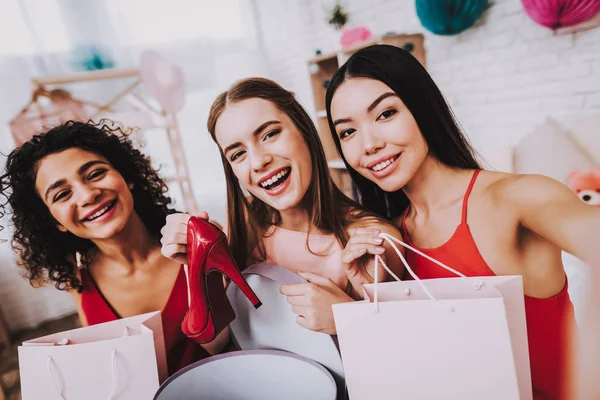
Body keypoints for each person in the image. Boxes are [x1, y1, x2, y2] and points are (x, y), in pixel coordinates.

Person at [325, 44, 600, 399]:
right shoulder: (391, 241)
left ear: (422, 107)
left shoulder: (517, 199)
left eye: (385, 114)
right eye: (347, 132)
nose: (369, 144)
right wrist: (368, 302)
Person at [160, 77, 404, 335]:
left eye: (270, 134)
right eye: (238, 154)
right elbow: (214, 344)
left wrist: (348, 316)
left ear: (303, 130)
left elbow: (399, 354)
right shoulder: (244, 230)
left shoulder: (375, 243)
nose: (258, 161)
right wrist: (196, 268)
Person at [0, 121, 227, 376]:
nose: (87, 196)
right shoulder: (78, 276)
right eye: (62, 194)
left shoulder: (196, 244)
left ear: (127, 176)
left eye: (95, 174)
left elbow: (228, 345)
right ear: (55, 222)